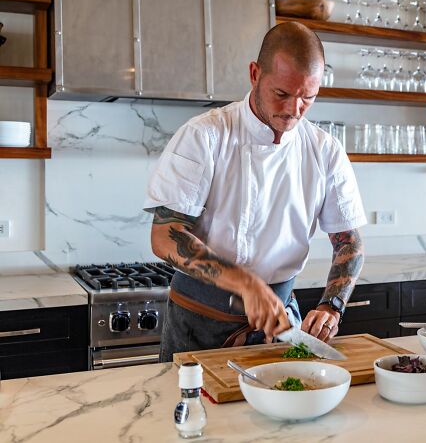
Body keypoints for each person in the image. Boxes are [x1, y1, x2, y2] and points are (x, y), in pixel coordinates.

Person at [143, 22, 366, 362]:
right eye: (282, 94)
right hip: (198, 327)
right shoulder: (205, 136)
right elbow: (165, 236)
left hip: (279, 326)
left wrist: (332, 306)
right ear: (254, 74)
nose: (294, 110)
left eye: (308, 98)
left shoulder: (325, 150)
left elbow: (349, 240)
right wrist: (247, 286)